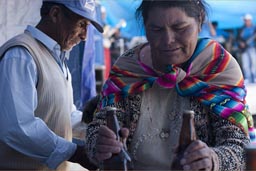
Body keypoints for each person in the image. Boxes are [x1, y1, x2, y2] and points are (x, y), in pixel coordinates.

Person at [86, 0, 255, 171]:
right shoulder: (128, 67)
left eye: (180, 28)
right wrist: (100, 145)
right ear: (145, 27)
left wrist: (213, 159)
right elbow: (98, 129)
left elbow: (239, 148)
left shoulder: (218, 68)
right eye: (156, 30)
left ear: (200, 20)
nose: (168, 40)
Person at [0, 0, 103, 170]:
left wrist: (95, 125)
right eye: (82, 24)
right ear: (55, 14)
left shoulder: (58, 60)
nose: (85, 35)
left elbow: (62, 117)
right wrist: (74, 152)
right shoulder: (21, 55)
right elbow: (17, 127)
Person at [237, 13, 256, 84]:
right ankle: (248, 78)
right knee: (245, 64)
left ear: (250, 20)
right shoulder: (241, 29)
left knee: (254, 63)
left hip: (252, 47)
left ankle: (254, 77)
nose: (246, 21)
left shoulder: (254, 28)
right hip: (244, 49)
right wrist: (241, 43)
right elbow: (238, 39)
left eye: (247, 20)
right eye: (245, 20)